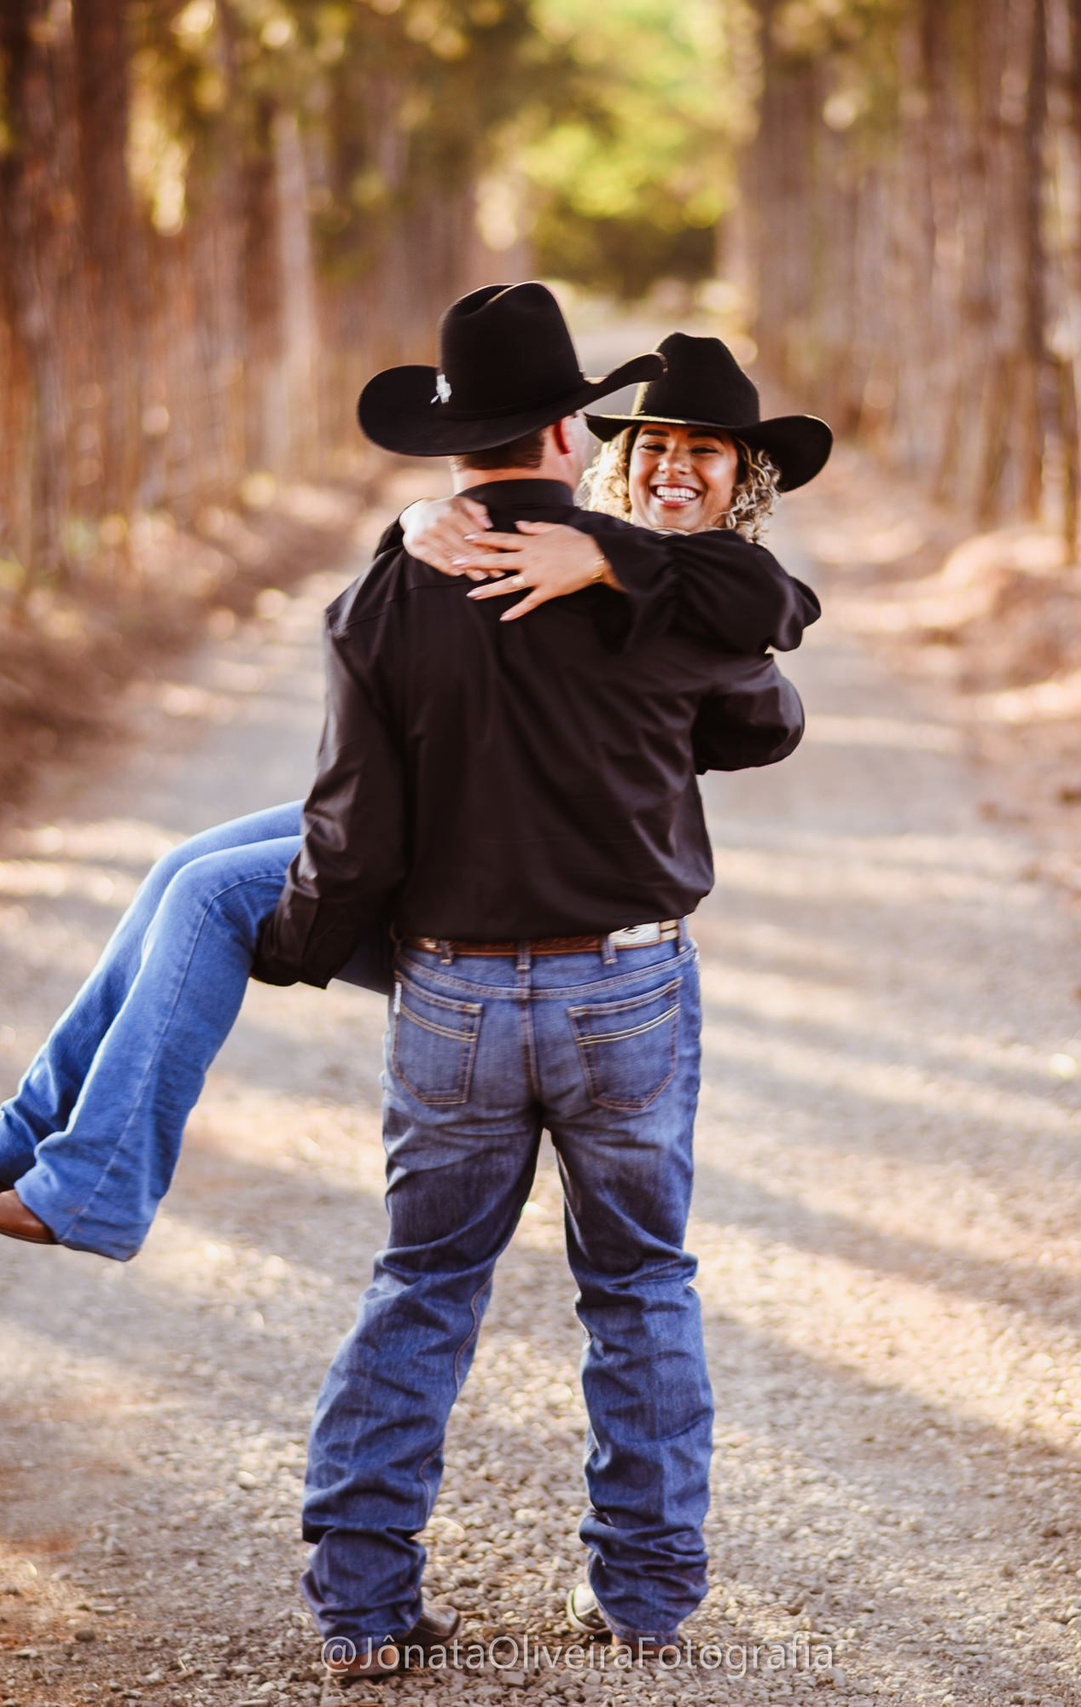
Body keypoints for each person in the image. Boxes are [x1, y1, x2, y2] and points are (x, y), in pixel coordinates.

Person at [0, 323, 827, 1265]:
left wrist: (305, 936)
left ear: (745, 475)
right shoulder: (579, 540)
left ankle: (90, 1185)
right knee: (184, 863)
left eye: (701, 450)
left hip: (506, 885)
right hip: (447, 822)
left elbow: (771, 636)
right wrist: (415, 524)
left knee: (213, 897)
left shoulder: (687, 576)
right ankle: (25, 1132)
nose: (672, 466)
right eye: (653, 447)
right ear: (599, 453)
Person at [261, 287, 819, 1681]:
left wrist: (298, 941)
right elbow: (764, 683)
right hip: (626, 984)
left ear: (455, 447)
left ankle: (365, 1606)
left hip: (452, 993)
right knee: (638, 1286)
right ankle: (643, 1596)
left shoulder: (380, 599)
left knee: (424, 1281)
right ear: (573, 430)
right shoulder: (645, 575)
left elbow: (352, 830)